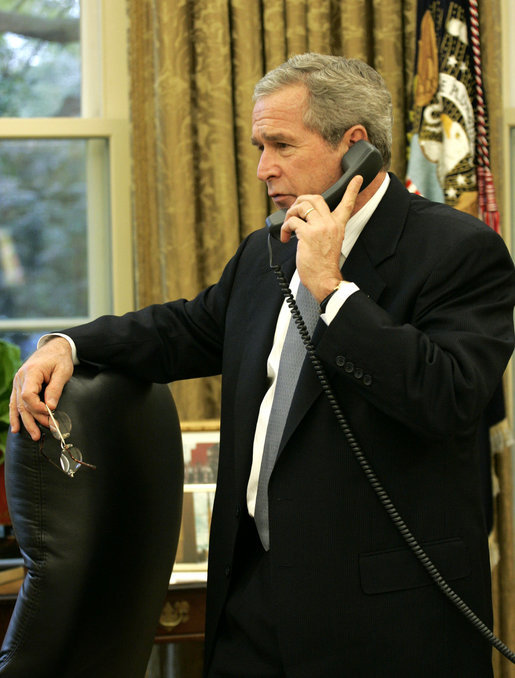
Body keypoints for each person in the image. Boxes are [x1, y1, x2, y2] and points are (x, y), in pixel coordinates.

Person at [9, 54, 515, 677]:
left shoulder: (459, 251)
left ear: (353, 146)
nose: (262, 168)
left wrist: (333, 290)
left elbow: (449, 394)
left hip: (384, 623)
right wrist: (71, 345)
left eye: (281, 144)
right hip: (252, 604)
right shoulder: (267, 249)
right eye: (258, 145)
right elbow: (186, 328)